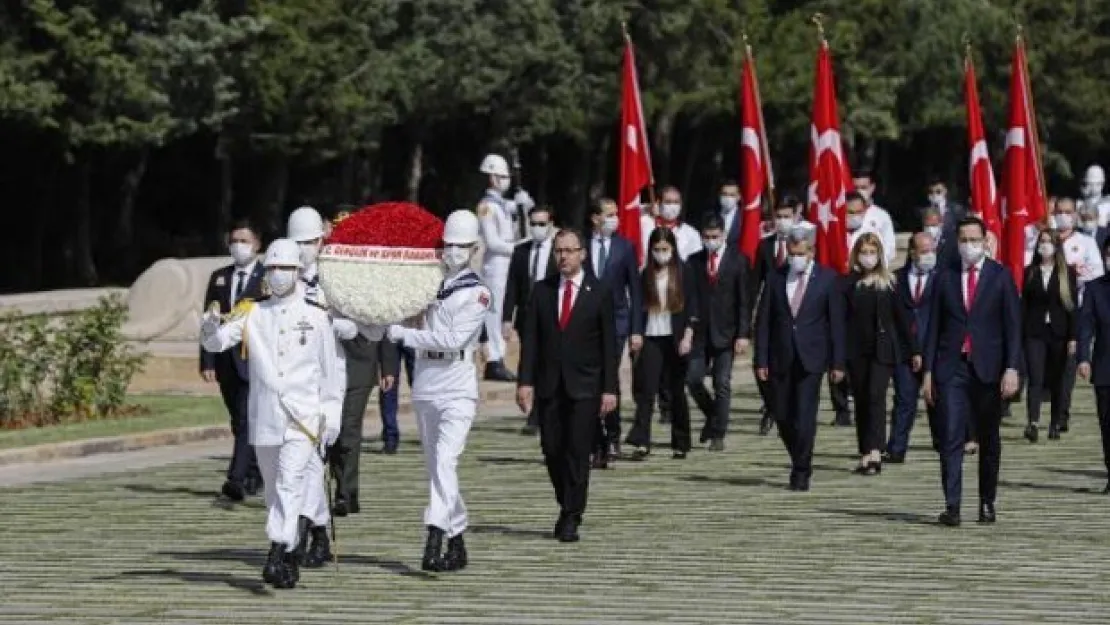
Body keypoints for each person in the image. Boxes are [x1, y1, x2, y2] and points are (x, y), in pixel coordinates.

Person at [200, 238, 344, 589]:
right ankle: (292, 552)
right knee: (275, 493)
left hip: (303, 416)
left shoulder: (316, 316)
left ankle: (277, 551)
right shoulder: (253, 312)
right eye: (274, 268)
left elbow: (331, 372)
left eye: (286, 269)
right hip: (265, 417)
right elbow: (218, 342)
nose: (279, 275)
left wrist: (332, 414)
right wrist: (208, 327)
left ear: (298, 271)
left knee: (290, 481)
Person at [385, 210, 490, 572]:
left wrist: (406, 335)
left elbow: (454, 338)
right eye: (448, 245)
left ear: (474, 248)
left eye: (461, 246)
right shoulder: (430, 284)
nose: (453, 251)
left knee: (445, 462)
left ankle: (434, 534)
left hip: (457, 384)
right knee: (438, 469)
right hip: (426, 382)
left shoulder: (477, 292)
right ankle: (457, 541)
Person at [517, 228, 618, 543]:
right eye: (559, 251)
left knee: (577, 449)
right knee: (552, 449)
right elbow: (531, 340)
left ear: (582, 254)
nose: (563, 257)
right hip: (550, 384)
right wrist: (525, 382)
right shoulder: (542, 291)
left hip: (586, 384)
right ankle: (566, 499)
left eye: (569, 251)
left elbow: (609, 346)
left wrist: (610, 389)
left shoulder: (598, 292)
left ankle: (572, 514)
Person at [923, 216, 1022, 527]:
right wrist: (927, 371)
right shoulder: (944, 277)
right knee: (951, 435)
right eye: (963, 240)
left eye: (974, 240)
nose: (969, 246)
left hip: (989, 369)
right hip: (952, 368)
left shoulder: (1001, 277)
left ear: (985, 241)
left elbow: (1013, 328)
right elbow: (933, 327)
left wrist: (1012, 368)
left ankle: (986, 501)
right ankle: (952, 506)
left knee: (989, 438)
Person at [755, 222, 845, 492]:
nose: (796, 257)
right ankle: (798, 454)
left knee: (805, 415)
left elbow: (836, 324)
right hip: (780, 356)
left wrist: (838, 362)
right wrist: (760, 359)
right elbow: (764, 321)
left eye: (801, 253)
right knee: (782, 414)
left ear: (812, 252)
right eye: (792, 252)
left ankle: (801, 470)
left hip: (812, 358)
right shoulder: (775, 277)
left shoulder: (828, 279)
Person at [200, 219, 266, 502]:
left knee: (246, 418)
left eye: (244, 240)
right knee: (238, 422)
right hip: (226, 360)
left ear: (257, 245)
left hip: (254, 359)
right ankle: (256, 471)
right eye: (234, 240)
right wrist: (207, 360)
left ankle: (235, 479)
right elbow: (208, 322)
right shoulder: (219, 277)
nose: (238, 246)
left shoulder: (266, 277)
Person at [842, 233, 919, 475]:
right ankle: (865, 451)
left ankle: (876, 451)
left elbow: (902, 319)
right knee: (862, 398)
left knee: (876, 396)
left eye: (872, 252)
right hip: (856, 350)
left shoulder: (890, 283)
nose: (868, 257)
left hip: (883, 349)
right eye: (864, 252)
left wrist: (914, 349)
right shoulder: (847, 283)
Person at [625, 227, 699, 460]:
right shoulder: (644, 273)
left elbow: (693, 307)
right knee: (647, 390)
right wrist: (635, 333)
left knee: (675, 390)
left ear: (673, 249)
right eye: (656, 249)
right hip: (651, 337)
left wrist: (688, 335)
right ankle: (641, 441)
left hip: (675, 337)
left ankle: (681, 441)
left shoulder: (684, 272)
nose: (661, 254)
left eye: (665, 249)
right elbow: (637, 305)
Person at [585, 199, 642, 467]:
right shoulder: (581, 246)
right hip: (586, 324)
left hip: (617, 322)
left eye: (616, 214)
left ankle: (613, 437)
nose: (614, 219)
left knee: (611, 380)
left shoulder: (625, 247)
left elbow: (636, 290)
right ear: (595, 218)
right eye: (609, 215)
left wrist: (636, 330)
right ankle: (595, 440)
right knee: (590, 383)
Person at [686, 213, 750, 451]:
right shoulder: (694, 262)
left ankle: (718, 433)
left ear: (723, 235)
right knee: (693, 379)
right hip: (700, 332)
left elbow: (744, 300)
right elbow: (690, 298)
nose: (710, 240)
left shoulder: (738, 261)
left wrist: (743, 333)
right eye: (706, 236)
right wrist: (688, 329)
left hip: (727, 331)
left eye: (715, 236)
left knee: (722, 382)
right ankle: (713, 415)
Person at [476, 153, 532, 382]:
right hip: (496, 265)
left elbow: (525, 212)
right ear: (492, 178)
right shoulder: (486, 207)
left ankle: (499, 358)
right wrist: (517, 248)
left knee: (505, 311)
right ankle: (493, 359)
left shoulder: (501, 205)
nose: (506, 181)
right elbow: (492, 242)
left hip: (507, 264)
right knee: (495, 313)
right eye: (501, 176)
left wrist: (524, 203)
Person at [502, 205, 557, 435]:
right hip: (527, 316)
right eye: (533, 223)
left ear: (551, 225)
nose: (537, 228)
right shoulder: (521, 251)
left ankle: (549, 413)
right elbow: (512, 287)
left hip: (553, 316)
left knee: (549, 364)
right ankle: (532, 415)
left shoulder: (558, 250)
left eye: (542, 224)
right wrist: (506, 318)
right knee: (529, 362)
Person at [886, 231, 939, 463]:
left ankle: (943, 443)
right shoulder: (896, 279)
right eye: (923, 251)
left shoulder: (942, 279)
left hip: (934, 348)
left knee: (937, 399)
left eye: (931, 250)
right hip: (904, 351)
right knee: (904, 400)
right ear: (912, 252)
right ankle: (896, 449)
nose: (928, 255)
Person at [750, 196, 801, 435]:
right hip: (769, 310)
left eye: (786, 217)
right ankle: (771, 403)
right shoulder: (764, 246)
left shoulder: (804, 246)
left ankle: (787, 408)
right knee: (760, 365)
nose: (782, 221)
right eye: (778, 217)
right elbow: (755, 282)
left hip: (796, 311)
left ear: (796, 216)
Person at [1022, 230, 1078, 442]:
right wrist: (1021, 335)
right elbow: (1024, 306)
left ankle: (1055, 422)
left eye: (1049, 242)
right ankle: (1033, 422)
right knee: (1035, 378)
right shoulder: (1030, 272)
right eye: (1042, 241)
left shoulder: (1066, 273)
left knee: (1056, 380)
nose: (1044, 245)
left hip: (1059, 333)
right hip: (1035, 332)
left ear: (1056, 247)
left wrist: (1073, 338)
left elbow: (1072, 307)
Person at [1053, 197, 1104, 432]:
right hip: (1050, 313)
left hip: (1078, 308)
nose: (1063, 215)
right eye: (1059, 211)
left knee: (1069, 364)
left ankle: (1062, 414)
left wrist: (1074, 275)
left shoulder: (1085, 243)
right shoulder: (1047, 240)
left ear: (1075, 214)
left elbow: (1096, 272)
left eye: (1068, 212)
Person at [1076, 236, 1110, 493]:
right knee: (1107, 424)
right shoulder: (1095, 289)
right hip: (1105, 366)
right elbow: (1086, 326)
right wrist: (1083, 358)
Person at [639, 185, 703, 263]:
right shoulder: (645, 224)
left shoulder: (691, 233)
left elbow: (696, 263)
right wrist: (647, 207)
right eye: (668, 202)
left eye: (676, 202)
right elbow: (628, 214)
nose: (672, 206)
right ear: (658, 203)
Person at [851, 172, 898, 264]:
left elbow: (890, 248)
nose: (859, 191)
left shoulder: (881, 216)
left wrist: (873, 262)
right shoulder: (841, 215)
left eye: (863, 188)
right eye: (855, 188)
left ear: (872, 187)